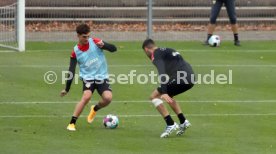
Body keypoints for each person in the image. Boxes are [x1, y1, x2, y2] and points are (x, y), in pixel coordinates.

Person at [60, 23, 117, 131]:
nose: (87, 39)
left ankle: (94, 109)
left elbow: (114, 49)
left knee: (108, 98)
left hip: (101, 77)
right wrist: (67, 89)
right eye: (84, 37)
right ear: (78, 36)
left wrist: (105, 45)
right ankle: (72, 123)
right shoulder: (75, 52)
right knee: (86, 96)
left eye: (88, 36)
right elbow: (71, 71)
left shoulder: (95, 42)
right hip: (88, 78)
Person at [142, 39, 194, 138]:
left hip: (181, 78)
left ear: (146, 49)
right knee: (169, 96)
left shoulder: (155, 55)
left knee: (154, 97)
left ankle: (170, 123)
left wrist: (164, 92)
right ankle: (183, 121)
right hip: (190, 77)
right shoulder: (168, 50)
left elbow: (161, 72)